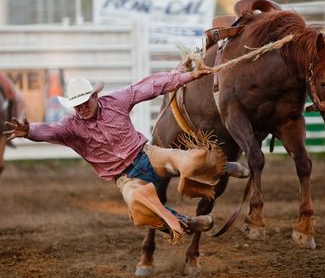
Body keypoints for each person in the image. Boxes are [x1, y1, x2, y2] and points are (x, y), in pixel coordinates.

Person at [3, 63, 250, 243]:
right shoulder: (71, 126)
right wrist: (28, 131)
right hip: (126, 178)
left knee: (185, 158)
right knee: (138, 206)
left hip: (147, 154)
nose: (82, 109)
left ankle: (222, 166)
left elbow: (151, 87)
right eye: (76, 106)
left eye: (85, 103)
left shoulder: (116, 101)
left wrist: (189, 76)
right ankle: (189, 223)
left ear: (95, 96)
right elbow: (48, 130)